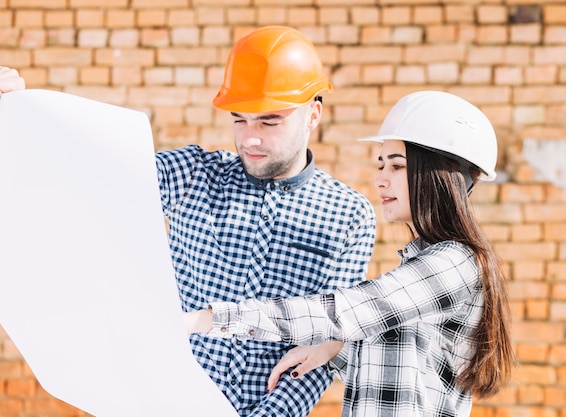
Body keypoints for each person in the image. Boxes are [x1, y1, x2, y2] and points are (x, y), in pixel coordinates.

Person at [0, 25, 377, 417]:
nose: (249, 138)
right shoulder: (195, 174)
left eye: (268, 122)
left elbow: (321, 346)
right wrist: (21, 115)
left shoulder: (349, 216)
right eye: (239, 120)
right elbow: (93, 172)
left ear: (312, 114)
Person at [185, 90, 515, 417]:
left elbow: (345, 311)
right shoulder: (421, 265)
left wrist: (207, 319)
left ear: (440, 175)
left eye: (397, 167)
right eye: (381, 165)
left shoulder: (453, 265)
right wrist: (334, 348)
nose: (380, 180)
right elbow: (401, 363)